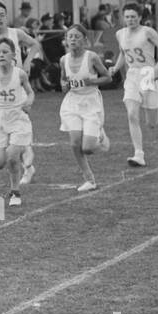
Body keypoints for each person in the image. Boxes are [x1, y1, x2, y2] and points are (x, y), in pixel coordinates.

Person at [111, 2, 158, 164]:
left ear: (139, 17)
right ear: (123, 18)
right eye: (127, 17)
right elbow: (123, 53)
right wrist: (116, 68)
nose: (130, 20)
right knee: (131, 114)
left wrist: (157, 68)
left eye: (133, 17)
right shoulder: (120, 34)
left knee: (151, 123)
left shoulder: (147, 32)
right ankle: (139, 154)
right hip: (132, 75)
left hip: (147, 74)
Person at [0, 36, 35, 207]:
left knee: (12, 157)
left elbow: (31, 92)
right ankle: (24, 149)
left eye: (5, 52)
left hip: (18, 119)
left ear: (13, 55)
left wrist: (29, 102)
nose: (1, 55)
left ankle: (15, 192)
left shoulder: (19, 74)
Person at [58, 24, 111, 192]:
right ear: (65, 40)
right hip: (72, 103)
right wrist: (64, 85)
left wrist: (93, 81)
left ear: (85, 40)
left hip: (91, 102)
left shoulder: (92, 57)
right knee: (75, 143)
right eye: (70, 37)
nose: (73, 39)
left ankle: (100, 135)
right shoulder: (63, 60)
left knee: (87, 148)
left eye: (76, 36)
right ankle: (89, 179)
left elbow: (107, 77)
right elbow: (63, 80)